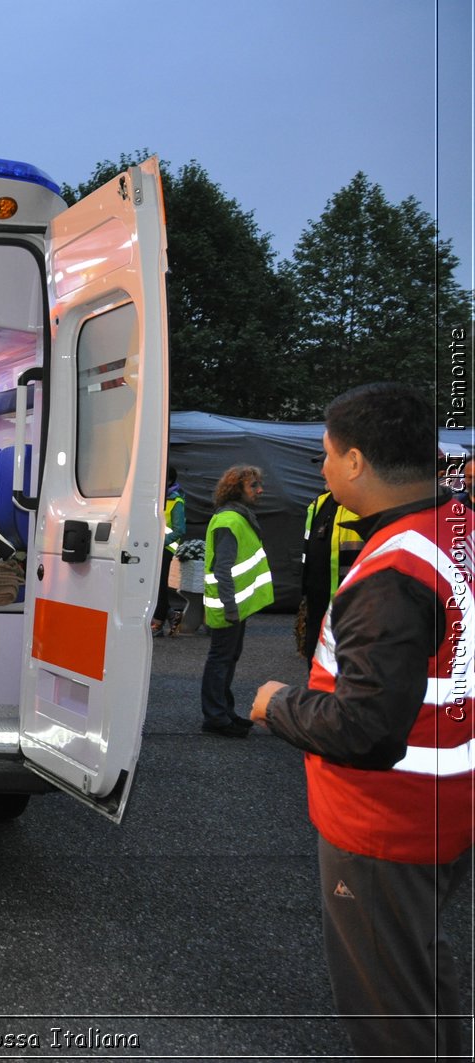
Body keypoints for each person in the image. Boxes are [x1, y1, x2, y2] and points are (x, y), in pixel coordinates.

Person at [251, 383, 472, 1060]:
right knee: (417, 970)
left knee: (389, 1012)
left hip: (387, 820)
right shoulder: (454, 528)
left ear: (354, 462)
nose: (320, 469)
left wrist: (274, 704)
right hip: (443, 802)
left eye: (324, 455)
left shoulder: (396, 571)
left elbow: (367, 729)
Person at [199, 464, 273, 736]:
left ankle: (224, 712)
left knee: (228, 659)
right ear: (236, 489)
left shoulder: (238, 518)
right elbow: (222, 569)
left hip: (234, 607)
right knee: (220, 660)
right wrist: (230, 607)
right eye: (253, 485)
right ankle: (216, 718)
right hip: (227, 607)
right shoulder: (230, 521)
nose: (260, 490)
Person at [296, 487, 362, 660]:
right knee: (315, 658)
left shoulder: (365, 504)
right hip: (316, 601)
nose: (322, 471)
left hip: (352, 603)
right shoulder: (318, 503)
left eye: (327, 461)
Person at [151, 466, 186, 636]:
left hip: (165, 549)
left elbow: (179, 529)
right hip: (150, 547)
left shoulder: (176, 501)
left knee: (159, 585)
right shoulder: (154, 498)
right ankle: (172, 614)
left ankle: (158, 624)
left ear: (169, 481)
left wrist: (161, 542)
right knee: (154, 585)